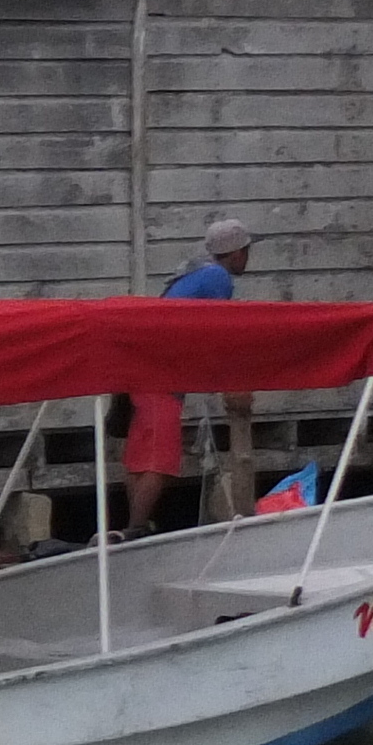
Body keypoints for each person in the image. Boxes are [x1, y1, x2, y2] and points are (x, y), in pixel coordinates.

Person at [124, 217, 258, 533]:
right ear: (237, 252)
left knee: (140, 458)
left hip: (142, 372)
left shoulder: (190, 273)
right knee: (161, 461)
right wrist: (231, 382)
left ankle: (136, 526)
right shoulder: (217, 278)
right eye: (247, 251)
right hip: (162, 378)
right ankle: (134, 529)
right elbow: (219, 334)